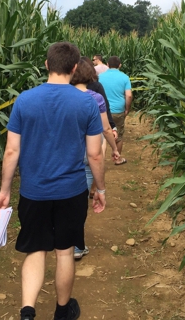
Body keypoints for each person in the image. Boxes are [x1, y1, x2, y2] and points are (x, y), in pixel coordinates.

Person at [0, 42, 106, 320]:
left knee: (35, 251)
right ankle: (62, 312)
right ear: (75, 68)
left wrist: (5, 190)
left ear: (47, 65)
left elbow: (11, 151)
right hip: (71, 191)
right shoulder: (86, 103)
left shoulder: (25, 100)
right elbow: (94, 154)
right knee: (65, 252)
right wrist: (100, 188)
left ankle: (28, 314)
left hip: (34, 191)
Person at [70, 58, 120, 259]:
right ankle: (75, 245)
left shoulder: (61, 96)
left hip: (65, 155)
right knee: (79, 200)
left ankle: (62, 238)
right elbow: (106, 128)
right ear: (91, 75)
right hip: (87, 157)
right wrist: (115, 148)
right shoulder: (95, 99)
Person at [98, 56, 132, 165]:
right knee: (119, 136)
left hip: (102, 111)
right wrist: (127, 109)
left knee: (101, 136)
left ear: (107, 65)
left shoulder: (100, 77)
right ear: (120, 65)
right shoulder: (125, 77)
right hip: (118, 110)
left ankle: (100, 160)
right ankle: (117, 159)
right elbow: (129, 96)